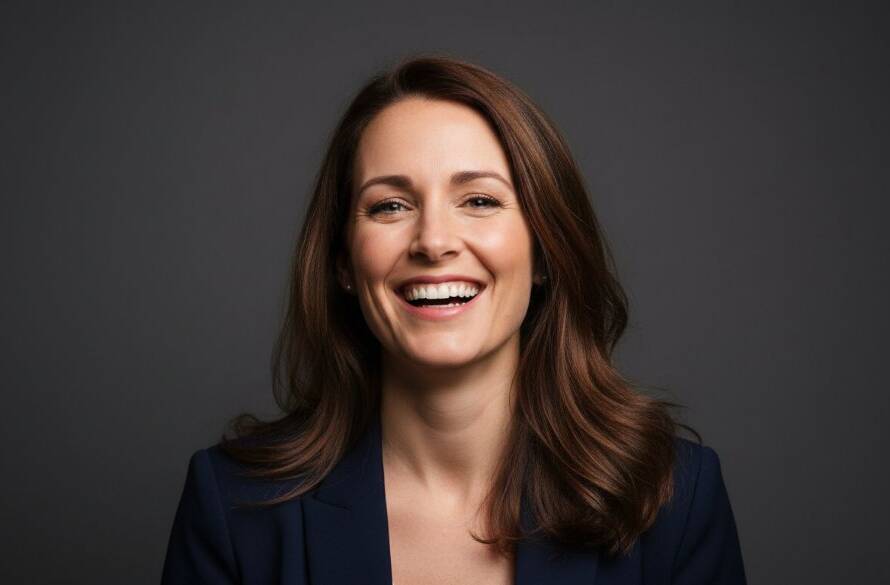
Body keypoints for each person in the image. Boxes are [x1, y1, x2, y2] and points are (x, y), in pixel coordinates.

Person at [160, 54, 747, 585]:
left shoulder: (672, 498)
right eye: (390, 205)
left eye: (480, 200)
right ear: (342, 260)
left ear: (545, 251)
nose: (434, 242)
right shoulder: (235, 506)